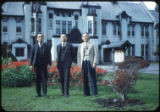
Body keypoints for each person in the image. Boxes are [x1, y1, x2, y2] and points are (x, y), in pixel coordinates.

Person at [30, 33, 51, 98]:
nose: (40, 38)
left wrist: (49, 63)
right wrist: (31, 64)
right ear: (37, 38)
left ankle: (45, 94)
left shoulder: (46, 46)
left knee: (44, 80)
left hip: (44, 66)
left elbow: (49, 56)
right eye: (39, 37)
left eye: (41, 37)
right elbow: (32, 56)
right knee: (37, 80)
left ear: (43, 38)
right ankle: (38, 94)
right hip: (36, 66)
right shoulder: (34, 46)